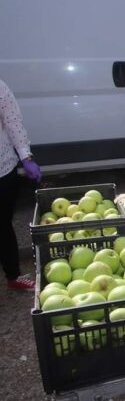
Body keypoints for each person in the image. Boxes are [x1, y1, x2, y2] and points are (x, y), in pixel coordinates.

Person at [1, 79, 41, 290]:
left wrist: (26, 157)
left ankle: (13, 276)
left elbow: (13, 123)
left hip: (2, 167)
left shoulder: (0, 88)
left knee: (3, 224)